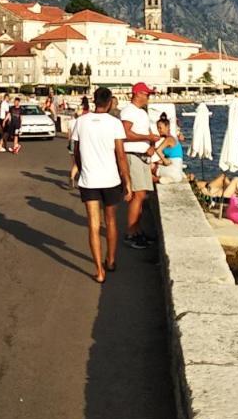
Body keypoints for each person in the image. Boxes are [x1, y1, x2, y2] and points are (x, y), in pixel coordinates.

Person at [70, 86, 131, 283]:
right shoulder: (115, 123)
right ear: (110, 102)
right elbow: (121, 155)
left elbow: (76, 152)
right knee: (111, 221)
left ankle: (99, 271)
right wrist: (127, 181)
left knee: (93, 225)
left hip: (89, 180)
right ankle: (111, 260)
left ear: (94, 100)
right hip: (111, 179)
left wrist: (81, 168)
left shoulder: (80, 122)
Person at [120, 82, 161, 249]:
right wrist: (147, 138)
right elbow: (125, 133)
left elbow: (143, 135)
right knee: (137, 195)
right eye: (147, 94)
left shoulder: (140, 113)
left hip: (142, 155)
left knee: (141, 196)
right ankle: (130, 233)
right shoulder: (129, 111)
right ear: (138, 94)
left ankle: (137, 230)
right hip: (133, 155)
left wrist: (150, 144)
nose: (148, 97)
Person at [154, 117, 185, 184]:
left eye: (160, 128)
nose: (158, 130)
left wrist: (165, 161)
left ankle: (158, 179)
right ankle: (167, 179)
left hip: (173, 171)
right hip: (177, 172)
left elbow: (158, 150)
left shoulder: (169, 139)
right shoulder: (173, 139)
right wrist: (162, 161)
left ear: (167, 127)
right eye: (158, 128)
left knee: (151, 167)